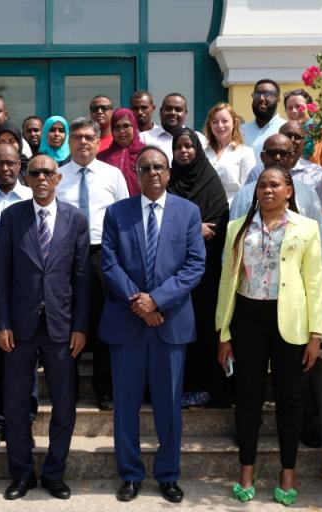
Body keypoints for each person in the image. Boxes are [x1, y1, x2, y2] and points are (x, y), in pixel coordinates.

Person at [101, 146, 205, 503]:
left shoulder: (188, 212)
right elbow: (109, 264)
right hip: (127, 324)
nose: (153, 173)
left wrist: (156, 300)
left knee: (169, 405)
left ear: (169, 172)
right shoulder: (116, 213)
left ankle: (168, 474)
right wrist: (140, 303)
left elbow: (194, 265)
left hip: (170, 323)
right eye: (145, 167)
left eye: (159, 166)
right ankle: (130, 474)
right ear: (136, 172)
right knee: (126, 405)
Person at [215, 165, 322, 506]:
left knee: (289, 399)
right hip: (247, 318)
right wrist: (223, 332)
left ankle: (287, 471)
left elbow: (315, 282)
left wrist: (316, 334)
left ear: (288, 191)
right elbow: (227, 281)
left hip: (290, 322)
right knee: (247, 397)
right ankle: (246, 469)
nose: (267, 190)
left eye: (275, 184)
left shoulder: (305, 228)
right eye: (262, 185)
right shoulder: (237, 227)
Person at [0, 154, 90, 501]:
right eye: (34, 172)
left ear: (58, 177)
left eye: (47, 173)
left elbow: (81, 279)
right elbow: (2, 275)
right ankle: (21, 474)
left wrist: (80, 326)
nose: (41, 178)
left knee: (64, 406)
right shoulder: (11, 217)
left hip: (61, 327)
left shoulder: (76, 219)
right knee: (17, 405)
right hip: (19, 328)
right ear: (26, 176)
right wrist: (2, 322)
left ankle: (54, 474)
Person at [56, 118, 130, 411]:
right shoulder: (58, 177)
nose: (83, 142)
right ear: (69, 142)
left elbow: (125, 217)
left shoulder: (113, 176)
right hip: (65, 255)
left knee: (103, 322)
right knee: (66, 322)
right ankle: (67, 389)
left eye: (89, 137)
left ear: (99, 141)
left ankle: (105, 389)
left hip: (103, 254)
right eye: (77, 137)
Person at [167, 128, 230, 407]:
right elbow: (161, 222)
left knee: (203, 327)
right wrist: (193, 227)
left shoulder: (211, 183)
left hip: (205, 276)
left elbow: (217, 225)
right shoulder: (168, 182)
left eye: (189, 147)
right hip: (172, 274)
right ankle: (175, 387)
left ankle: (205, 387)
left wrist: (187, 228)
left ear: (198, 150)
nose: (184, 152)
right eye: (179, 147)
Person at [0, 143, 36, 449]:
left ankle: (24, 420)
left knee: (24, 363)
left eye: (11, 163)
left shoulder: (33, 198)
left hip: (25, 296)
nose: (5, 168)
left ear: (20, 166)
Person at [231, 134, 322, 289]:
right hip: (251, 289)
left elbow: (320, 245)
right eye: (272, 153)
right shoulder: (244, 195)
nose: (278, 157)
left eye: (283, 153)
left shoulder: (309, 195)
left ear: (292, 157)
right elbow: (232, 246)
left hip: (295, 289)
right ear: (263, 157)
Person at [246, 121, 322, 237]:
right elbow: (246, 206)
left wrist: (321, 244)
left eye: (298, 137)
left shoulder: (317, 173)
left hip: (303, 241)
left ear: (304, 142)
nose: (292, 140)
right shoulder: (257, 172)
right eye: (287, 135)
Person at [284, 88, 322, 194]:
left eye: (299, 106)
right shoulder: (284, 134)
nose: (294, 111)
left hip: (316, 196)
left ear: (309, 108)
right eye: (289, 108)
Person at [203, 103, 256, 205]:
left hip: (233, 210)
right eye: (215, 122)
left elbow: (249, 189)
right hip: (206, 211)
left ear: (234, 123)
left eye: (225, 121)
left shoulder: (245, 152)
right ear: (210, 125)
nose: (220, 126)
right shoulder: (203, 153)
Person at [140, 93, 206, 164]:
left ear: (186, 114)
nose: (173, 113)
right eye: (168, 109)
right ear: (160, 111)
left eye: (178, 110)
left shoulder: (198, 138)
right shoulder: (144, 138)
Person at [98, 108, 145, 196]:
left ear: (134, 126)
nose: (122, 131)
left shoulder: (146, 154)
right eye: (117, 127)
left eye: (126, 126)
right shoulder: (102, 157)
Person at [241, 79, 286, 163]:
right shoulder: (241, 131)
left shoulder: (285, 129)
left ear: (278, 100)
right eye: (257, 94)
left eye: (267, 94)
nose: (261, 98)